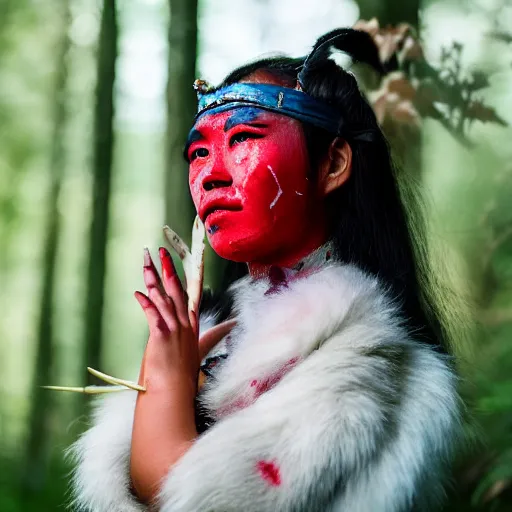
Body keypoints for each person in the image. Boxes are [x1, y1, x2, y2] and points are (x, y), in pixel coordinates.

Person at [68, 28, 461, 511]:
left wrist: (164, 387)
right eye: (198, 152)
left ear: (333, 163)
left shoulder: (367, 364)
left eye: (243, 138)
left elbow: (195, 499)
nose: (210, 173)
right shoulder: (217, 334)